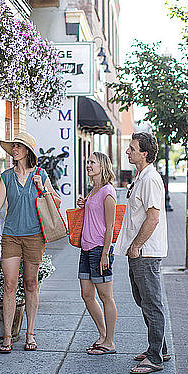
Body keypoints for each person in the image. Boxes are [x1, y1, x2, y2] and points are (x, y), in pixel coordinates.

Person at [0, 131, 60, 354]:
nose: (14, 150)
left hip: (35, 236)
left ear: (27, 151)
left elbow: (55, 202)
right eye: (13, 147)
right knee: (9, 285)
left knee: (30, 283)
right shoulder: (6, 176)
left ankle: (30, 334)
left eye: (18, 147)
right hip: (11, 236)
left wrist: (42, 187)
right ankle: (7, 336)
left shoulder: (40, 174)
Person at [114, 132, 170, 374]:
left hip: (145, 253)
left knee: (151, 303)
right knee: (143, 301)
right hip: (138, 252)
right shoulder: (141, 177)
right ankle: (159, 349)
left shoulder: (149, 180)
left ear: (144, 153)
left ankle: (155, 358)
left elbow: (153, 218)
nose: (128, 152)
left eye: (132, 148)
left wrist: (136, 245)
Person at [77, 152, 117, 355]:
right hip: (86, 249)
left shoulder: (108, 192)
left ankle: (110, 342)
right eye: (88, 162)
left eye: (92, 162)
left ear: (102, 165)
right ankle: (102, 335)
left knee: (106, 296)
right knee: (87, 295)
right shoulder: (93, 189)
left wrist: (105, 255)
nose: (88, 165)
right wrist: (84, 205)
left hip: (99, 250)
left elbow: (110, 227)